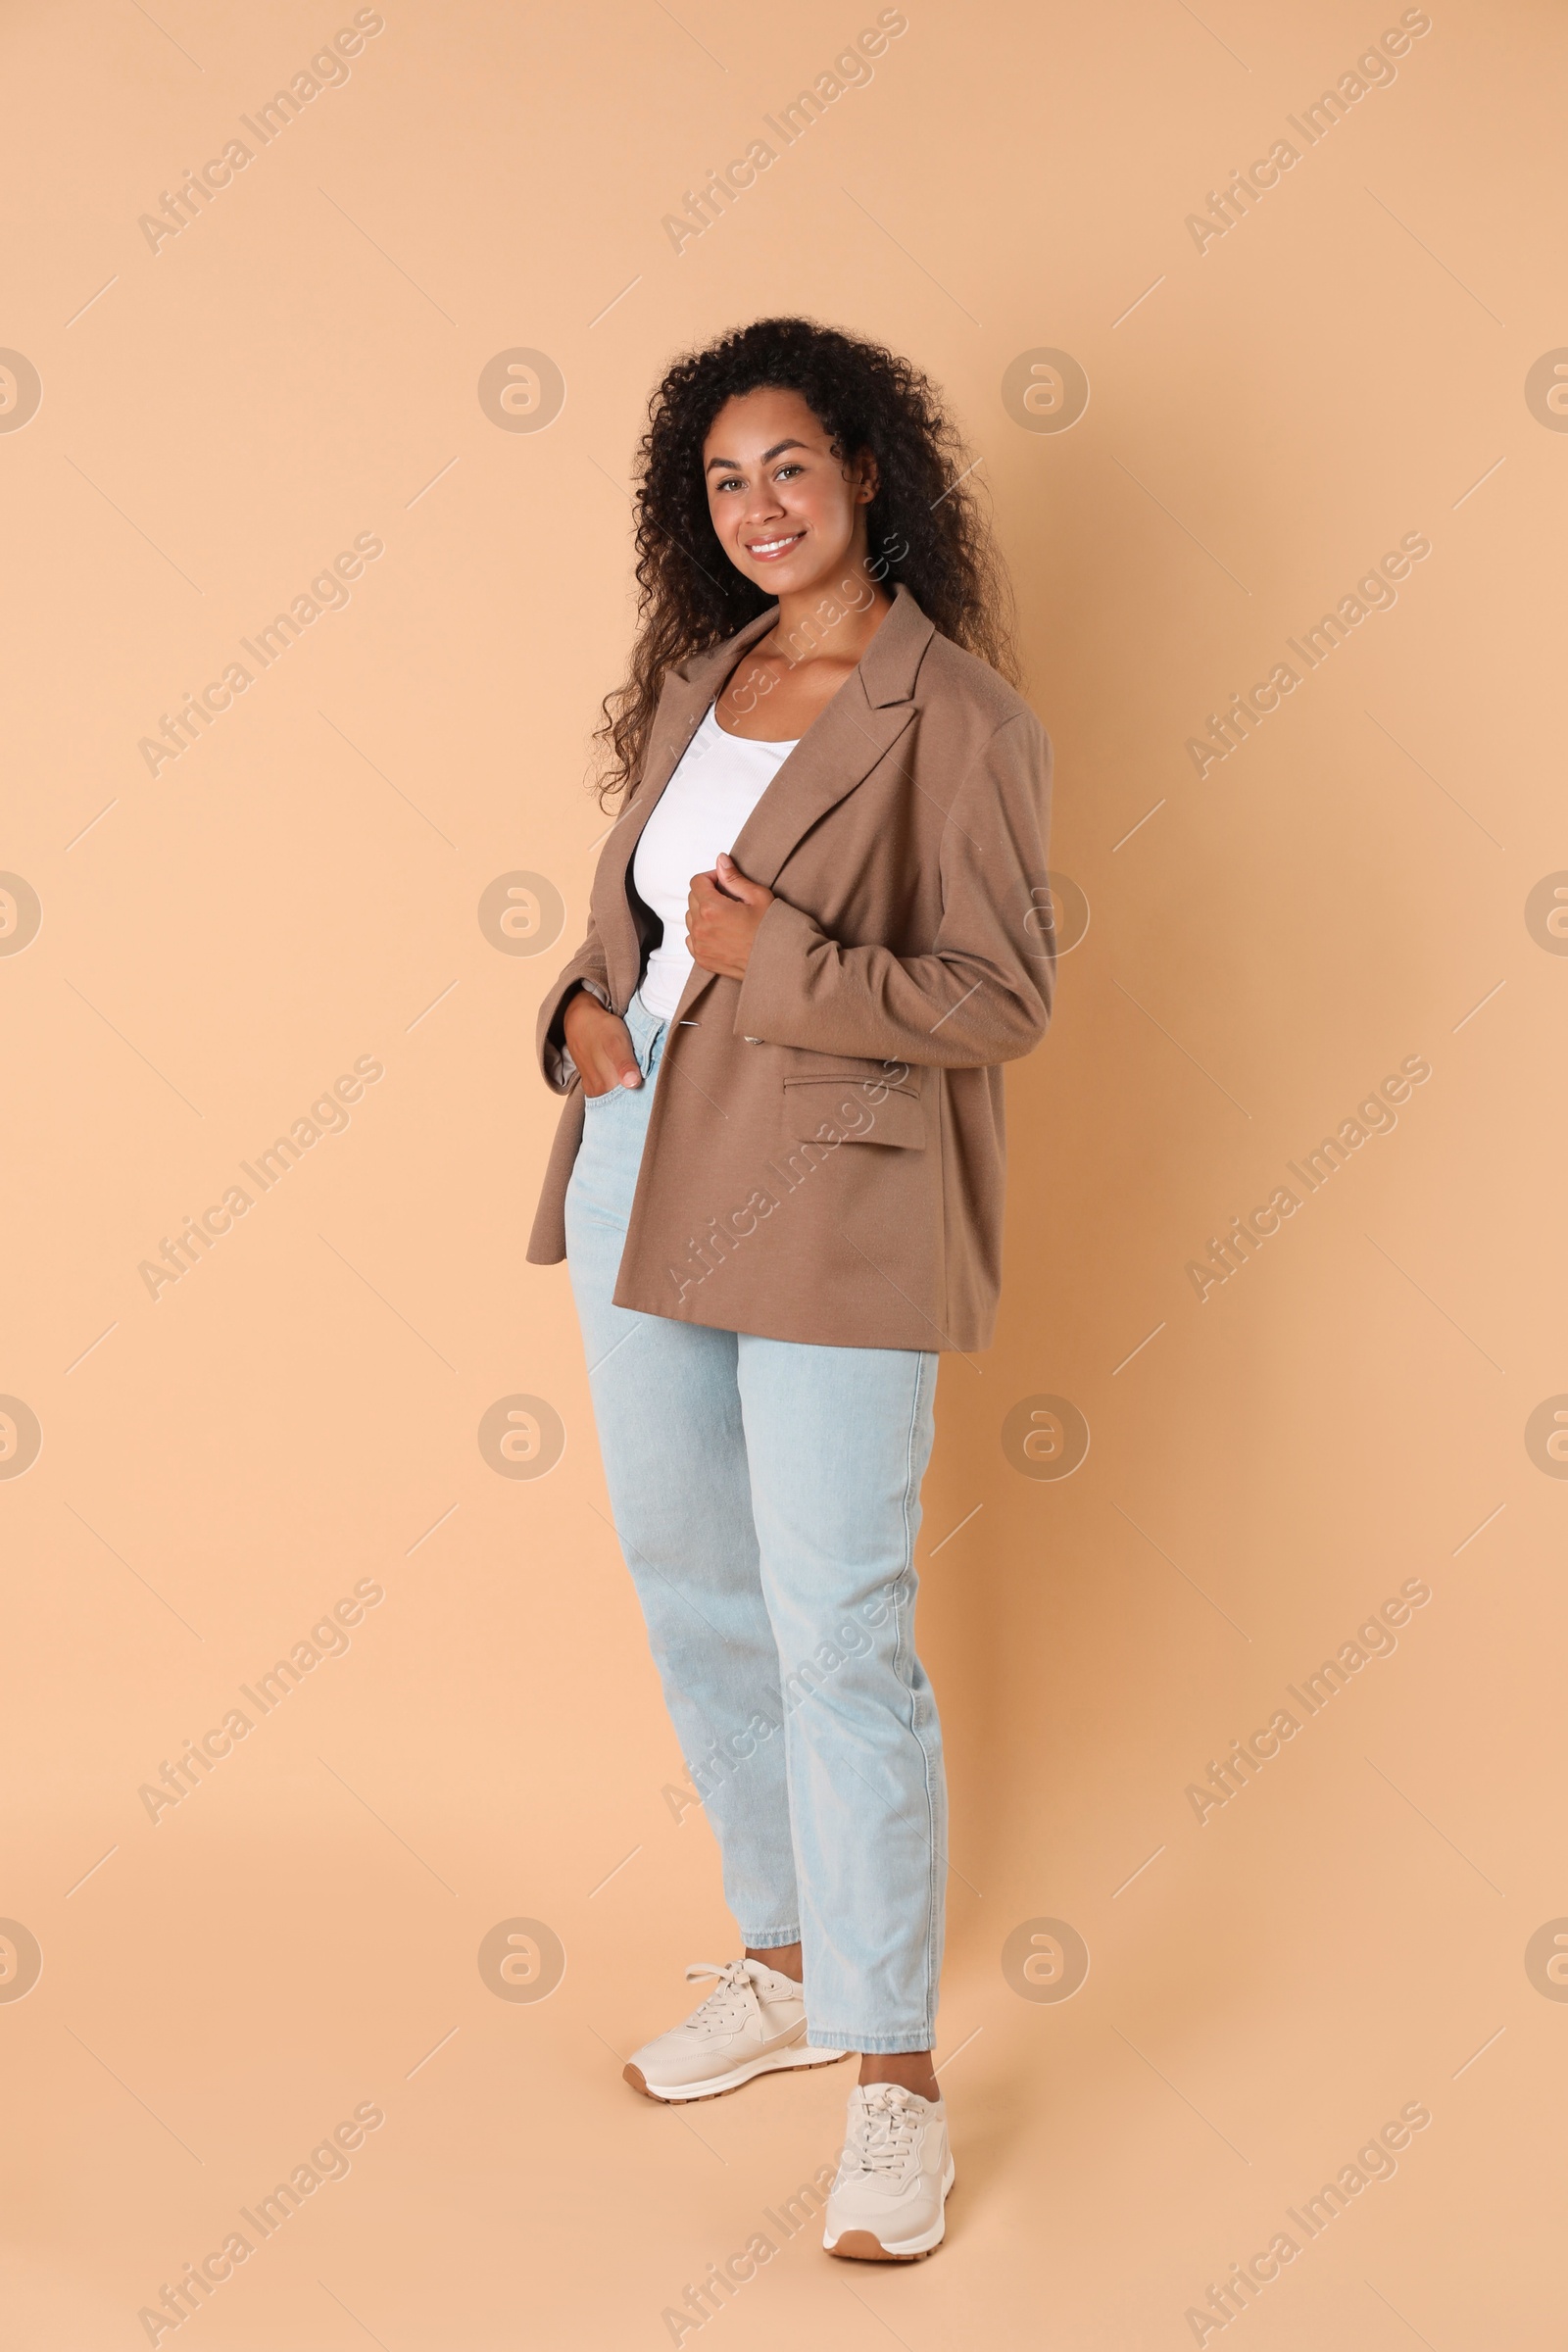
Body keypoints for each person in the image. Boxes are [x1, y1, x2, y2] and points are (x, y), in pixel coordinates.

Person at [527, 316, 1054, 2261]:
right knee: (691, 1581)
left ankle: (892, 2079)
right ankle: (776, 1957)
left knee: (839, 1623)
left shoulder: (961, 724)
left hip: (833, 1199)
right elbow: (655, 929)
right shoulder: (699, 678)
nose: (754, 508)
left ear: (867, 481)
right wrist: (584, 1016)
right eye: (722, 479)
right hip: (636, 1159)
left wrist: (782, 965)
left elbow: (1000, 998)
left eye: (788, 471)